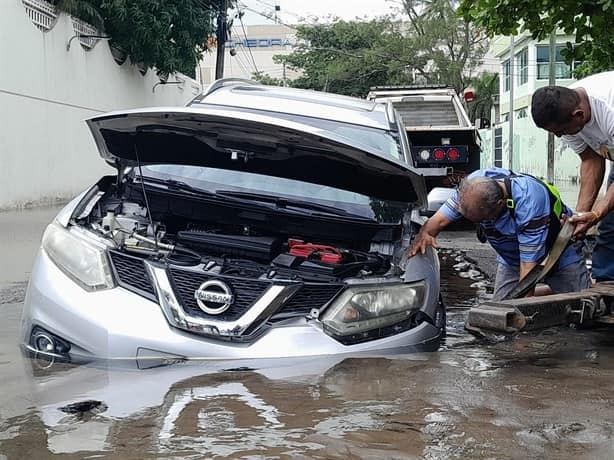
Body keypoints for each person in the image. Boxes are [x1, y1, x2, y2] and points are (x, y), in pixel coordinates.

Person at [408, 167, 590, 300]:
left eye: (482, 219)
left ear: (500, 204)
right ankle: (552, 292)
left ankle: (560, 291)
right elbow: (438, 221)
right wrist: (423, 236)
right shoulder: (473, 186)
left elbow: (528, 270)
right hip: (511, 259)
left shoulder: (529, 202)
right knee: (500, 310)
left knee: (582, 306)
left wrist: (525, 319)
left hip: (559, 251)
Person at [531, 71, 614, 280]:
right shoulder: (565, 108)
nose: (559, 136)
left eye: (560, 131)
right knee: (609, 228)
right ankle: (606, 285)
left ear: (579, 115)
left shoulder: (609, 110)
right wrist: (581, 215)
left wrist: (597, 214)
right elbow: (590, 160)